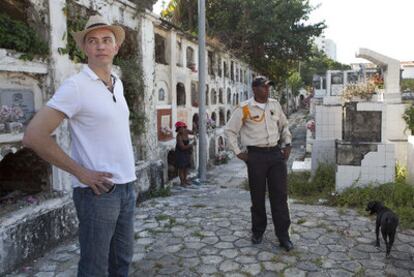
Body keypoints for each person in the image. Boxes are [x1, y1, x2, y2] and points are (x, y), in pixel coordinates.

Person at [23, 15, 137, 276]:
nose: (100, 46)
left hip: (127, 186)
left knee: (122, 261)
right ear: (85, 48)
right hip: (97, 193)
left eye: (107, 40)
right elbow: (34, 135)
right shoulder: (75, 86)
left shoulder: (117, 83)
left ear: (116, 47)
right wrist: (81, 173)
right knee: (94, 267)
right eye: (93, 41)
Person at [225, 76, 293, 251]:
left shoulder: (275, 105)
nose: (267, 90)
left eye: (268, 87)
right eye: (264, 87)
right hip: (256, 157)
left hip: (276, 155)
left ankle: (283, 236)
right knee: (257, 197)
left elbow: (284, 125)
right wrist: (238, 152)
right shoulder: (245, 108)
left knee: (280, 197)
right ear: (254, 89)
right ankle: (258, 231)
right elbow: (230, 131)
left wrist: (287, 144)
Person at [175, 121, 194, 186]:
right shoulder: (179, 136)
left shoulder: (186, 131)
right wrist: (191, 145)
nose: (181, 129)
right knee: (181, 168)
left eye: (182, 127)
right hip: (180, 153)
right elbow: (182, 147)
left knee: (186, 167)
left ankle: (185, 180)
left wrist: (196, 127)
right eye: (179, 128)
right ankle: (182, 182)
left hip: (186, 152)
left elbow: (193, 132)